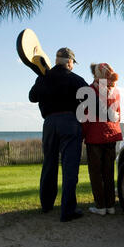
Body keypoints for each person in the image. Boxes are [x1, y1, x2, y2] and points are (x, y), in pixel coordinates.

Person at [29, 47, 88, 222]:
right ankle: (67, 210)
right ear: (69, 62)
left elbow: (32, 97)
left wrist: (44, 82)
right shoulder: (76, 80)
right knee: (69, 167)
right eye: (72, 63)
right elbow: (90, 100)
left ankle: (46, 205)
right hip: (70, 122)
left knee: (49, 163)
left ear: (56, 61)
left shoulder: (43, 77)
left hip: (49, 123)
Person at [82, 63, 123, 216]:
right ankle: (111, 206)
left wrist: (82, 135)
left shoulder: (91, 90)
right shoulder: (116, 91)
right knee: (109, 171)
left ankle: (100, 206)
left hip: (95, 135)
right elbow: (118, 114)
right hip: (112, 134)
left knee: (96, 173)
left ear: (97, 74)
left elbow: (86, 116)